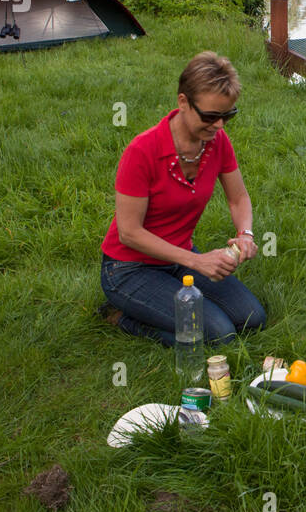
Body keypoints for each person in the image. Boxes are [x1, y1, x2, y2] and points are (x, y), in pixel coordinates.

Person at [98, 51, 266, 346]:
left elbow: (238, 197)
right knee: (220, 333)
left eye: (228, 115)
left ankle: (164, 301)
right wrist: (197, 261)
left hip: (179, 258)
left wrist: (245, 234)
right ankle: (122, 316)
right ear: (183, 102)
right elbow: (129, 232)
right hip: (129, 269)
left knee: (253, 318)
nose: (220, 126)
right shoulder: (142, 152)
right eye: (211, 117)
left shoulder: (217, 142)